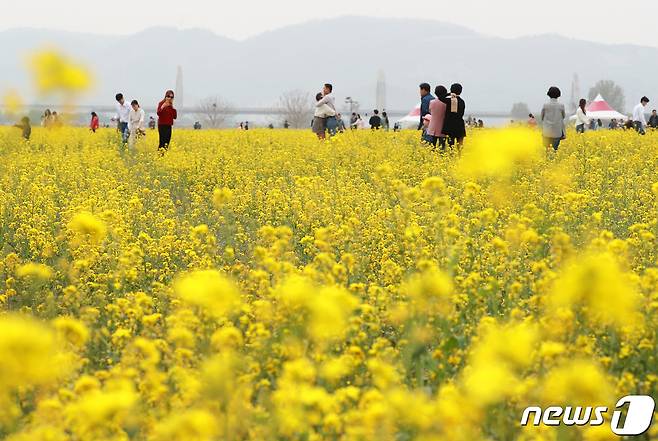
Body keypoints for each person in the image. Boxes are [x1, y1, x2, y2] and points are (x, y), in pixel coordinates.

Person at [440, 83, 466, 150]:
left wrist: (449, 94)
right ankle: (460, 159)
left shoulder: (450, 101)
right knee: (460, 147)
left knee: (451, 146)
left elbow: (440, 97)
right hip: (460, 125)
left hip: (450, 126)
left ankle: (452, 158)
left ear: (451, 90)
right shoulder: (462, 101)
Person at [541, 86, 566, 153]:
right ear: (558, 95)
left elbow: (542, 117)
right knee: (554, 151)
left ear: (549, 94)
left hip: (547, 131)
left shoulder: (545, 105)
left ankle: (547, 163)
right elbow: (563, 116)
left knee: (547, 151)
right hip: (557, 132)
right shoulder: (561, 105)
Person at [427, 85, 448, 150]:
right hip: (443, 128)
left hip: (432, 127)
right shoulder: (446, 103)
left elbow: (430, 111)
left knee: (432, 146)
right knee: (442, 147)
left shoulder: (432, 102)